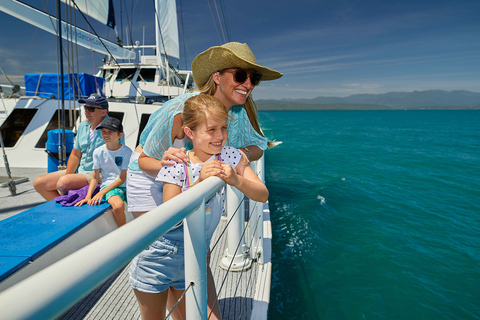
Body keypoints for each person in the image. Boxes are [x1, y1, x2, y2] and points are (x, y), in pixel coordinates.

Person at [127, 41, 282, 318]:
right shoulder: (181, 109)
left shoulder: (236, 112)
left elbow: (259, 146)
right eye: (240, 75)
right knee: (165, 245)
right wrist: (168, 160)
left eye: (253, 78)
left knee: (197, 250)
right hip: (152, 179)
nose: (248, 84)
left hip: (197, 176)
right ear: (217, 77)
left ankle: (196, 309)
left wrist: (231, 156)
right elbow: (142, 159)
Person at [33, 95, 123, 201]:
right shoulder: (82, 126)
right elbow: (76, 154)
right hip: (80, 171)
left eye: (91, 109)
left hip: (98, 174)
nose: (86, 112)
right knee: (39, 183)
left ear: (103, 112)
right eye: (85, 108)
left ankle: (66, 205)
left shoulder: (113, 129)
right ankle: (64, 208)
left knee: (63, 183)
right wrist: (68, 175)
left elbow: (117, 157)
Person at [74, 117, 132, 227]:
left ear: (120, 135)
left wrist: (101, 193)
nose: (106, 135)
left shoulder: (127, 152)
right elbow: (95, 177)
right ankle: (125, 232)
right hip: (109, 186)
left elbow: (122, 179)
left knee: (144, 204)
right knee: (118, 206)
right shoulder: (98, 152)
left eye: (110, 132)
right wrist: (88, 196)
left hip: (128, 185)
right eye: (103, 132)